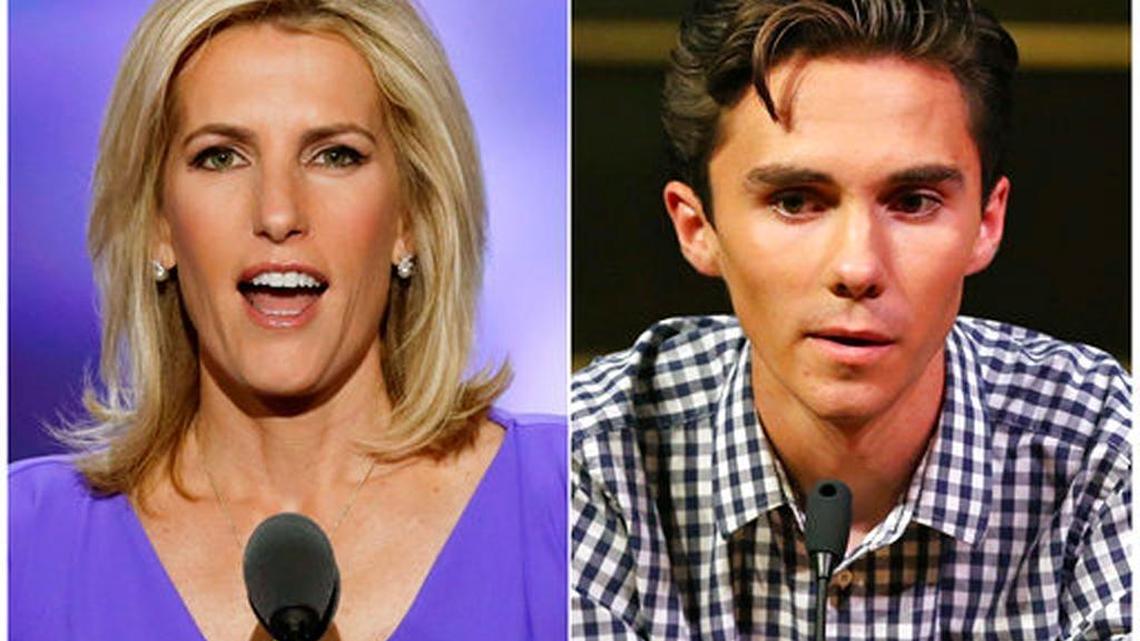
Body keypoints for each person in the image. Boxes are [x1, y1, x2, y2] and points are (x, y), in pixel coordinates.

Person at [570, 1, 1130, 639]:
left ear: (987, 222)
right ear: (698, 228)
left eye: (914, 202)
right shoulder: (591, 456)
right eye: (795, 201)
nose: (858, 266)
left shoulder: (1103, 448)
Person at [9, 1, 566, 640]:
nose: (278, 212)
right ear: (158, 225)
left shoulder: (565, 496)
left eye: (334, 155)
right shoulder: (22, 546)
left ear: (410, 217)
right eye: (221, 156)